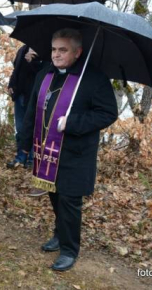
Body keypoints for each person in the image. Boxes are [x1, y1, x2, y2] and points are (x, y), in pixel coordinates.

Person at [20, 28, 118, 271]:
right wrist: (22, 144)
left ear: (78, 52)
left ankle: (69, 249)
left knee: (69, 201)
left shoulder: (94, 78)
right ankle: (59, 234)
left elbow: (108, 113)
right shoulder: (45, 73)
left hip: (76, 154)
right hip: (47, 151)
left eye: (63, 50)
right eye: (54, 49)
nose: (56, 55)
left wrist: (73, 122)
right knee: (54, 195)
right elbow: (33, 108)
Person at [6, 45, 44, 169]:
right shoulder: (22, 49)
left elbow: (44, 75)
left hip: (34, 97)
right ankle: (20, 157)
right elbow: (16, 70)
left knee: (32, 127)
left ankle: (32, 159)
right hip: (19, 95)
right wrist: (11, 85)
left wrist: (33, 61)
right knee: (20, 128)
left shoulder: (45, 51)